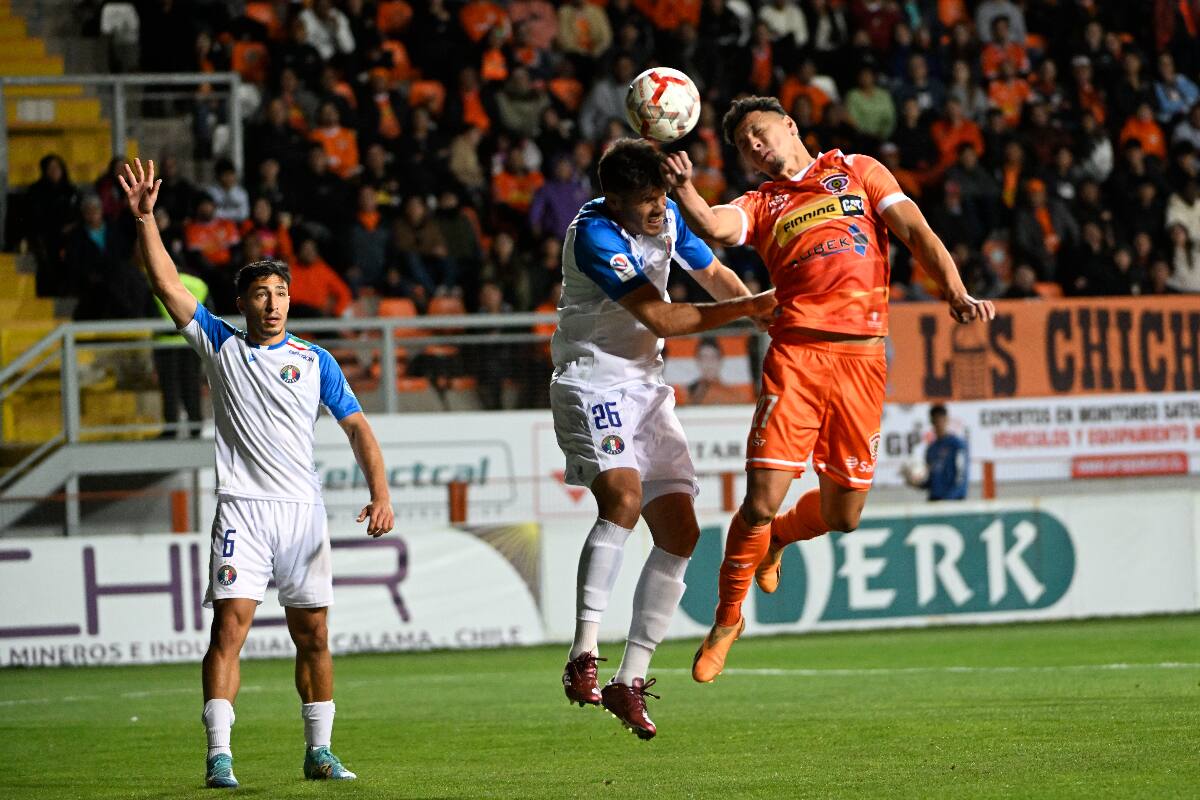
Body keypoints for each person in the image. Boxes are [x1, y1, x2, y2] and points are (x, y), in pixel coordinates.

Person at [664, 96, 995, 682]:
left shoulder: (861, 170)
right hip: (796, 356)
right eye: (745, 147)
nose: (756, 148)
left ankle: (779, 541)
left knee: (844, 514)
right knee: (761, 498)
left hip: (863, 360)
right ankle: (727, 617)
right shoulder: (762, 204)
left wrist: (955, 291)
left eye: (760, 133)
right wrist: (685, 186)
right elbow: (714, 225)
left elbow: (915, 230)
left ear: (790, 126)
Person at [118, 159, 394, 788]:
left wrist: (380, 493)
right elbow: (167, 284)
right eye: (262, 295)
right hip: (243, 507)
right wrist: (145, 221)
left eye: (281, 294)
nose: (273, 304)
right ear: (241, 302)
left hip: (304, 514)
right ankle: (220, 755)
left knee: (315, 635)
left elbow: (357, 428)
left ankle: (319, 751)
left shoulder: (315, 358)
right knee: (230, 629)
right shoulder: (220, 345)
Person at [553, 139, 775, 739]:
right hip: (592, 379)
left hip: (645, 388)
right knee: (622, 497)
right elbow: (666, 318)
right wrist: (755, 307)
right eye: (645, 200)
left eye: (661, 196)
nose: (657, 209)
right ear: (615, 199)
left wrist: (761, 313)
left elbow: (713, 274)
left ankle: (630, 679)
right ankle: (583, 652)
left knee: (682, 532)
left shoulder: (670, 213)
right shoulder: (595, 234)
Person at [904, 404, 969, 500]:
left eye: (941, 420)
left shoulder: (957, 445)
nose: (938, 424)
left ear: (947, 420)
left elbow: (961, 477)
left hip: (954, 503)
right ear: (932, 422)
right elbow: (931, 481)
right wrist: (915, 483)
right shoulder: (931, 449)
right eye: (935, 421)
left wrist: (949, 500)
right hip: (935, 501)